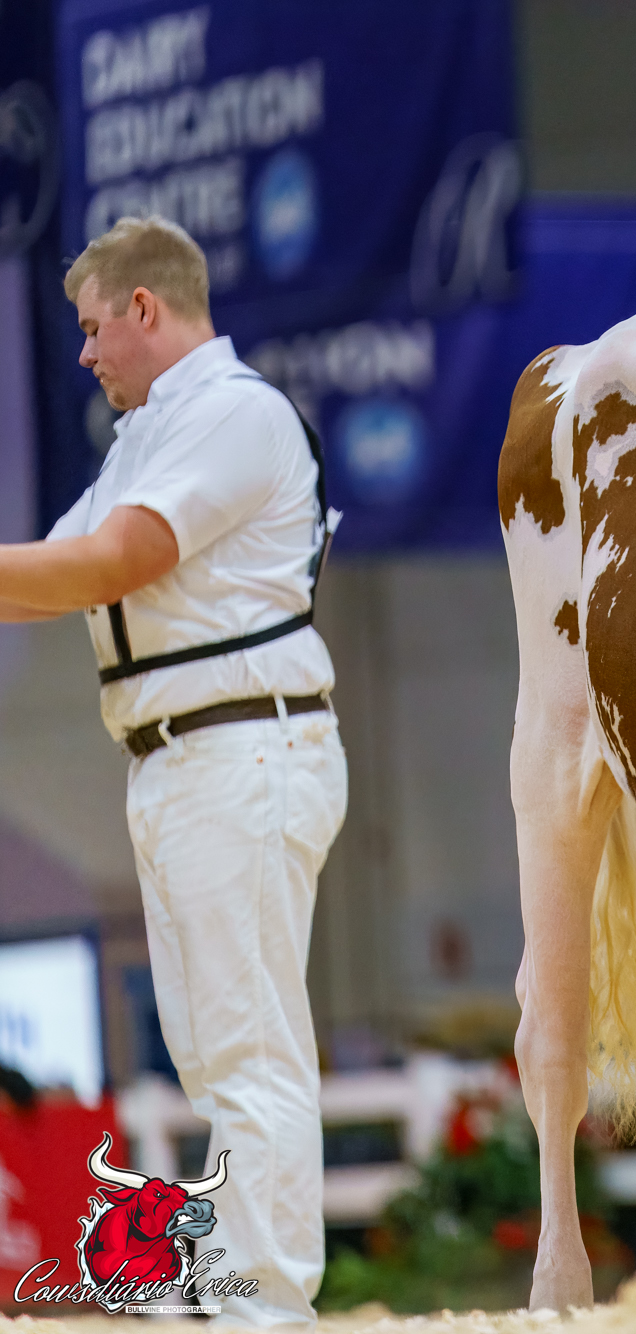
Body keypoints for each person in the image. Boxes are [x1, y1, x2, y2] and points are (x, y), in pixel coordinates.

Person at [0, 216, 346, 1327]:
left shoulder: (236, 412)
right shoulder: (144, 439)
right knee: (213, 1054)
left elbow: (117, 561)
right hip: (180, 757)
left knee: (250, 1049)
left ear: (144, 308)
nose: (86, 353)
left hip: (241, 744)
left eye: (93, 327)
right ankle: (240, 1288)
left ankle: (266, 1303)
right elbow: (53, 574)